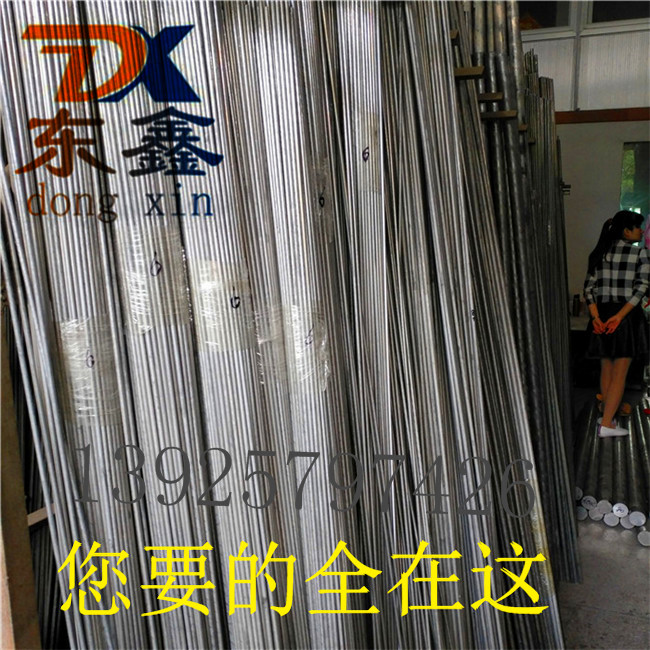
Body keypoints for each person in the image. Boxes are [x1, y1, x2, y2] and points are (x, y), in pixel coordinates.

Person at [583, 210, 650, 437]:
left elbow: (588, 289)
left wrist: (596, 318)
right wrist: (620, 316)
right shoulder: (640, 253)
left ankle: (607, 415)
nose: (641, 231)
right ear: (626, 231)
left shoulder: (600, 253)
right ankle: (607, 425)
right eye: (638, 227)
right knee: (620, 374)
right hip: (626, 316)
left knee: (607, 369)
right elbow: (641, 289)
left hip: (602, 315)